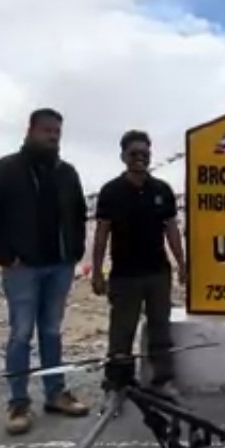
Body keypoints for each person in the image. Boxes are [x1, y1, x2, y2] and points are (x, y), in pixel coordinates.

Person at [0, 108, 92, 435]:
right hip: (22, 268)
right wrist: (5, 256)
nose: (52, 136)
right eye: (47, 130)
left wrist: (75, 250)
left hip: (59, 265)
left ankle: (55, 394)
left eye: (57, 131)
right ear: (30, 130)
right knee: (21, 334)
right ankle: (18, 403)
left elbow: (80, 213)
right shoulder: (4, 169)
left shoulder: (67, 173)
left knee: (52, 332)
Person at [91, 129, 186, 398]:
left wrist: (182, 264)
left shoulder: (162, 190)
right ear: (123, 156)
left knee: (160, 329)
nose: (140, 158)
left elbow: (172, 231)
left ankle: (163, 381)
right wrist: (97, 272)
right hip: (124, 275)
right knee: (122, 332)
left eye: (145, 153)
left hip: (158, 273)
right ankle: (117, 384)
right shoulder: (111, 192)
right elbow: (101, 234)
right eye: (134, 153)